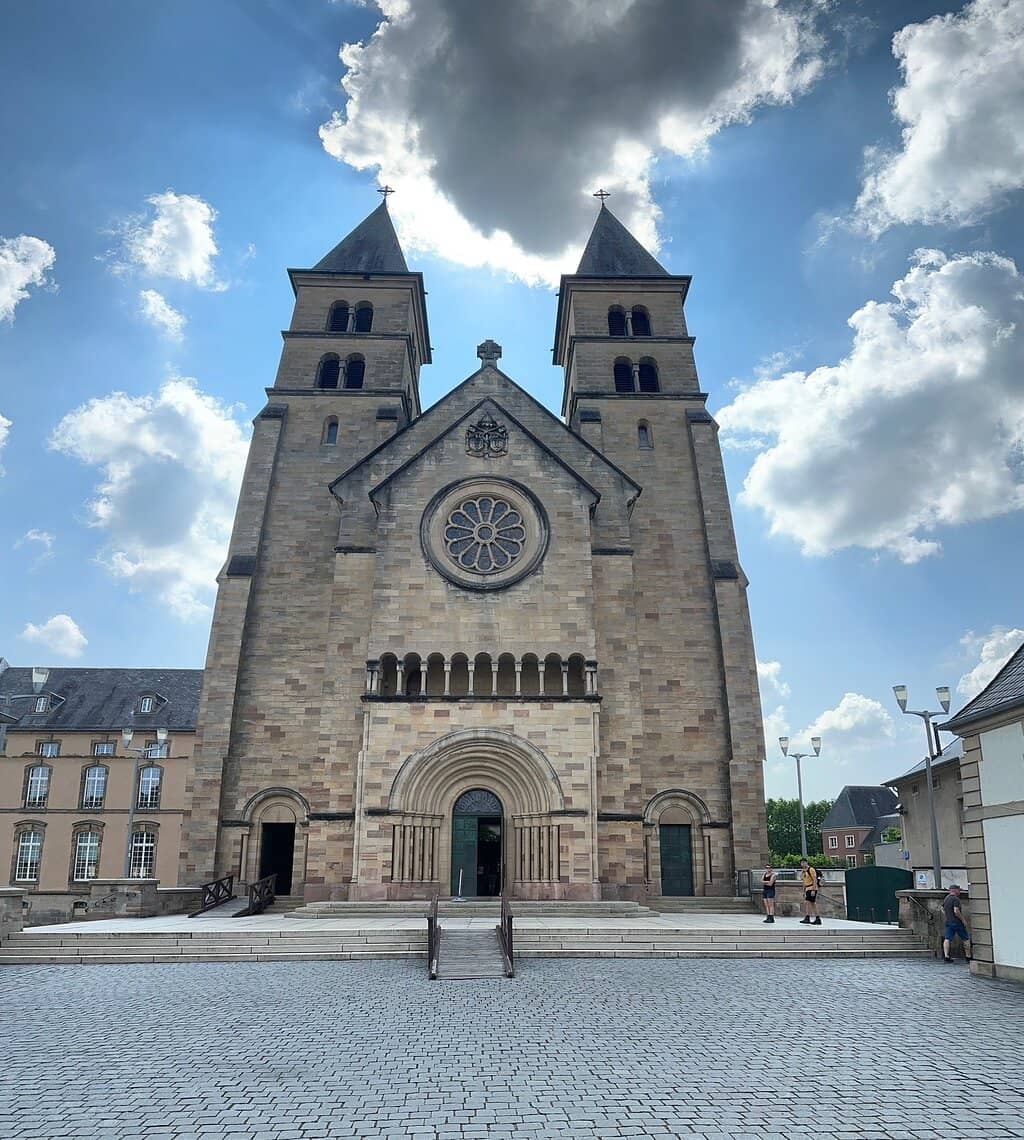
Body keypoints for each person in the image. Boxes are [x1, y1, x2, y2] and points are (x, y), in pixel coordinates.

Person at [942, 885, 971, 963]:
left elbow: (942, 908)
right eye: (959, 890)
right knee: (966, 938)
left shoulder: (946, 898)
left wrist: (948, 915)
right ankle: (968, 957)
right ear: (955, 890)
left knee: (947, 939)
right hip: (957, 922)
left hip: (948, 922)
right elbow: (956, 911)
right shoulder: (956, 899)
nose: (960, 891)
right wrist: (963, 920)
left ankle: (946, 956)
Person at [799, 858, 822, 925]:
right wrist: (804, 891)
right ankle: (809, 917)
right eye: (801, 863)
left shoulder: (811, 869)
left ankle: (815, 918)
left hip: (811, 888)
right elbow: (804, 882)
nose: (802, 864)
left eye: (804, 862)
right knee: (809, 903)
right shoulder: (804, 871)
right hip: (807, 888)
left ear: (806, 862)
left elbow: (815, 880)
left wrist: (813, 890)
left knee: (811, 903)